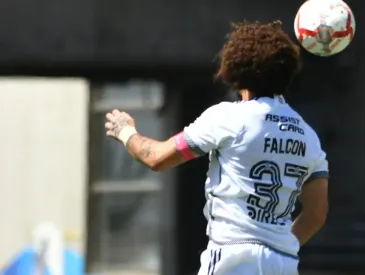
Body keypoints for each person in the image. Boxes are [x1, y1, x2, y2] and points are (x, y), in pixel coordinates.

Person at [105, 20, 329, 275]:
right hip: (282, 263)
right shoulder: (308, 136)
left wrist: (125, 131)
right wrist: (278, 245)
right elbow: (316, 213)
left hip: (231, 257)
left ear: (237, 70)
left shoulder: (227, 118)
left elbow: (155, 158)